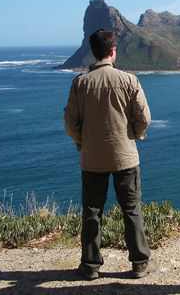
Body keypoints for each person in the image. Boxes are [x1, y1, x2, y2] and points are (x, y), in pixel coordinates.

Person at [64, 29, 156, 280]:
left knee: (92, 212)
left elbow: (71, 124)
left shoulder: (80, 83)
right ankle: (140, 263)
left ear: (92, 51)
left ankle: (90, 266)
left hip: (92, 158)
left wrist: (83, 141)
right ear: (113, 51)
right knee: (131, 209)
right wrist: (134, 135)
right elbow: (144, 117)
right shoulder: (129, 80)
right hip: (125, 156)